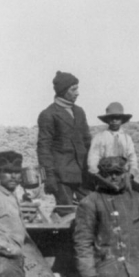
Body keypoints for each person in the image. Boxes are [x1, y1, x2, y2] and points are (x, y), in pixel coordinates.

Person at [37, 71, 92, 206]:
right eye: (73, 89)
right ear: (63, 91)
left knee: (93, 210)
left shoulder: (79, 112)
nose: (77, 93)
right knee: (66, 212)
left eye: (77, 88)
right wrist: (49, 177)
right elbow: (44, 148)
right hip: (61, 176)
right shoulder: (48, 114)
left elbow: (87, 142)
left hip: (83, 174)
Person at [87, 102, 139, 200]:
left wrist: (131, 174)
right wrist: (99, 177)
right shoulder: (99, 138)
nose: (114, 121)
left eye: (117, 118)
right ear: (107, 120)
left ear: (122, 120)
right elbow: (93, 159)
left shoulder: (127, 138)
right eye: (111, 118)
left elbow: (132, 158)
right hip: (105, 176)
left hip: (123, 176)